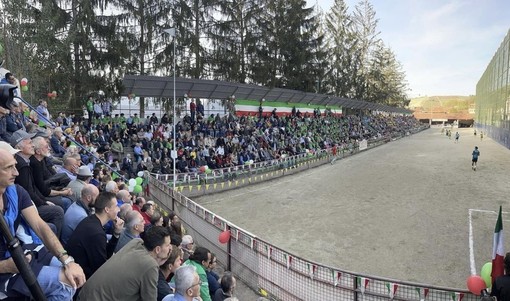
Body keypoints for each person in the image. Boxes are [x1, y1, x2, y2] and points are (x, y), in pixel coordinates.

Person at [0, 145, 86, 300]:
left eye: (15, 165)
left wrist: (66, 259)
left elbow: (39, 225)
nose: (16, 172)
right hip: (4, 268)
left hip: (19, 255)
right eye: (9, 168)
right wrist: (5, 265)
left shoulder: (16, 191)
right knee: (67, 284)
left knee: (75, 274)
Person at [77, 226, 172, 301]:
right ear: (158, 249)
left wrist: (158, 260)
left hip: (84, 294)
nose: (170, 248)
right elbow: (150, 298)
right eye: (167, 245)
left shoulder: (136, 243)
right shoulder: (150, 265)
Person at [66, 191, 124, 279]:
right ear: (107, 209)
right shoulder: (97, 233)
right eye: (116, 206)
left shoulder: (91, 220)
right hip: (79, 278)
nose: (118, 209)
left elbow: (106, 254)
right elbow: (100, 269)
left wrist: (116, 233)